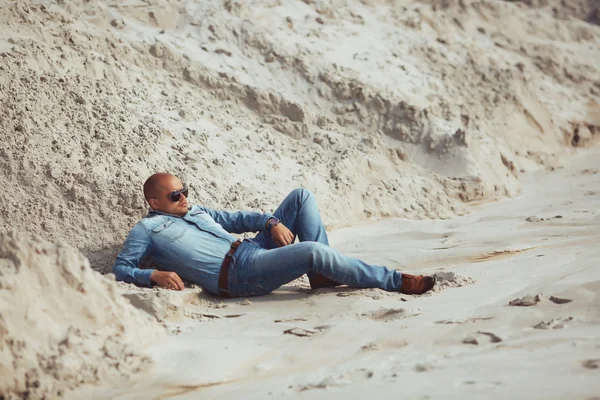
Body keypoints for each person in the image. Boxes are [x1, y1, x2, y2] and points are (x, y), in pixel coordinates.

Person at [112, 173, 435, 297]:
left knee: (300, 196)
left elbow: (241, 218)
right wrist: (152, 274)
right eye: (174, 196)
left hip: (250, 249)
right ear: (154, 203)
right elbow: (121, 269)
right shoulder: (147, 230)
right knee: (310, 250)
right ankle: (394, 281)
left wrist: (270, 222)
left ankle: (321, 276)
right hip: (237, 275)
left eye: (184, 190)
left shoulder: (196, 210)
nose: (183, 197)